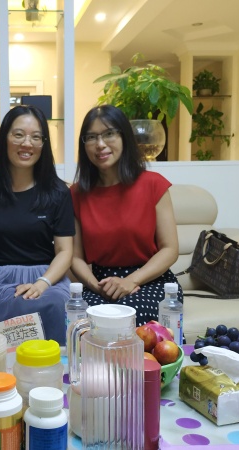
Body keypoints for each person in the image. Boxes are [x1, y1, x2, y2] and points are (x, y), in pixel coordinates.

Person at [0, 105, 74, 345]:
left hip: (47, 277)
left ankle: (56, 367)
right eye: (18, 135)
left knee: (56, 303)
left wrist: (42, 283)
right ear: (4, 138)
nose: (27, 143)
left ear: (43, 144)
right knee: (13, 302)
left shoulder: (58, 192)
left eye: (36, 137)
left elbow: (65, 251)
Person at [70, 105, 181, 326]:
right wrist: (94, 285)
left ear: (124, 137)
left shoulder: (153, 184)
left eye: (109, 134)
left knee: (130, 316)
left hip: (149, 279)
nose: (100, 144)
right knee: (84, 322)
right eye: (91, 137)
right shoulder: (76, 194)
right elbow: (75, 257)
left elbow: (170, 249)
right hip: (101, 283)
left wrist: (131, 280)